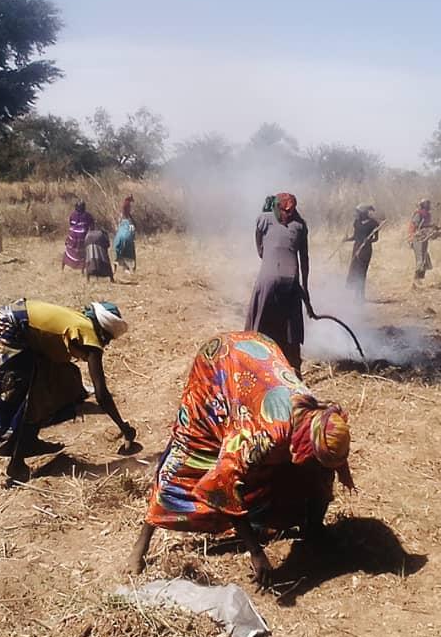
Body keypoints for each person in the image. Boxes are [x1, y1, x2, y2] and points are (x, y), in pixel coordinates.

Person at [127, 332, 353, 584]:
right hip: (218, 368)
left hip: (258, 355)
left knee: (305, 472)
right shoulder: (265, 435)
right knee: (189, 454)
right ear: (303, 444)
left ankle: (306, 524)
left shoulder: (323, 421)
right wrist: (256, 552)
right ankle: (143, 541)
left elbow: (323, 472)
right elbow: (222, 484)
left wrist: (316, 525)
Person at [0, 299, 136, 485]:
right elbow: (102, 394)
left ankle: (29, 441)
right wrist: (124, 427)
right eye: (107, 339)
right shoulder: (89, 335)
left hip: (10, 323)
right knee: (23, 394)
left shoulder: (79, 322)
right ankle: (17, 463)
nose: (106, 344)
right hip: (9, 331)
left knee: (54, 381)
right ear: (103, 330)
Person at [244, 192, 318, 375]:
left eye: (289, 212)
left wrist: (267, 256)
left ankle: (257, 366)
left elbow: (259, 247)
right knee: (289, 329)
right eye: (285, 211)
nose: (287, 215)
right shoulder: (299, 224)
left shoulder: (266, 219)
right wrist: (305, 290)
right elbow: (304, 259)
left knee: (262, 325)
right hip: (289, 281)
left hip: (271, 280)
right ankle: (292, 368)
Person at [345, 204, 380, 302]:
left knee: (362, 273)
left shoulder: (373, 224)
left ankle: (360, 296)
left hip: (366, 251)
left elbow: (376, 239)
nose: (356, 214)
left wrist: (367, 241)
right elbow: (355, 236)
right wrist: (347, 239)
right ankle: (357, 295)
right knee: (355, 271)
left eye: (358, 212)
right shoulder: (356, 222)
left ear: (363, 213)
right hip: (356, 249)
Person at [62, 201, 94, 271]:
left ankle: (65, 264)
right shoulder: (88, 215)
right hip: (83, 237)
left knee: (69, 249)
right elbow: (92, 227)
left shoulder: (72, 214)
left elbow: (71, 224)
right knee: (84, 252)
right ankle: (82, 268)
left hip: (72, 236)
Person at [408, 198, 434, 284]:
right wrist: (411, 238)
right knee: (421, 259)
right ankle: (415, 280)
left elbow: (426, 226)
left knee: (425, 259)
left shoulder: (428, 214)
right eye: (427, 204)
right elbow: (414, 226)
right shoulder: (418, 214)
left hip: (424, 238)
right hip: (417, 238)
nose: (429, 205)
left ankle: (420, 279)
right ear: (423, 205)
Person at [112, 195, 136, 274]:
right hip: (126, 222)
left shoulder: (124, 205)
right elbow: (127, 215)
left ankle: (119, 264)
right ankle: (129, 267)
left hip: (123, 223)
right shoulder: (127, 205)